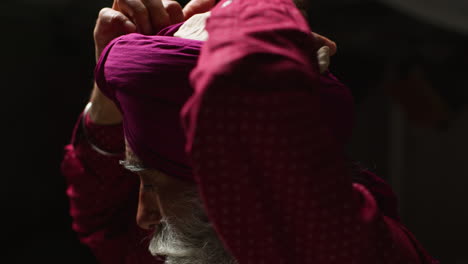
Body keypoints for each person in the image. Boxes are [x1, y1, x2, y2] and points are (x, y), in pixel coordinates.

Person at [61, 0, 439, 263]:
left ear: (227, 182)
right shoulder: (201, 246)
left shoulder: (342, 251)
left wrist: (250, 15)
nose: (142, 216)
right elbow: (105, 225)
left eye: (156, 184)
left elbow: (235, 110)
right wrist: (107, 89)